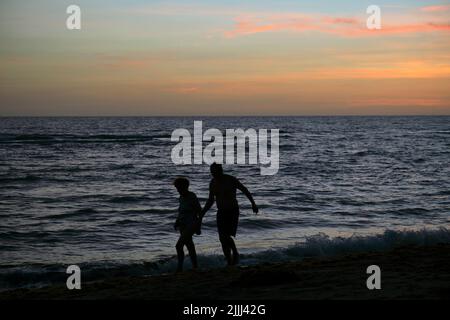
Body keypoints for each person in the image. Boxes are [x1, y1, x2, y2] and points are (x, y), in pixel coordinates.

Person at [200, 163, 258, 266]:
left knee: (226, 236)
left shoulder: (231, 179)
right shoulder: (213, 182)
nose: (213, 174)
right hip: (221, 211)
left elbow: (244, 190)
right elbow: (210, 200)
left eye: (215, 172)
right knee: (222, 238)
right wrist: (203, 213)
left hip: (232, 211)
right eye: (212, 172)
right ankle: (229, 260)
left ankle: (234, 253)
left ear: (220, 170)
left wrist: (253, 203)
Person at [173, 177, 201, 272]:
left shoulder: (192, 196)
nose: (178, 190)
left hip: (191, 224)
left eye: (179, 188)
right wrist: (177, 222)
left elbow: (199, 211)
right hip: (182, 224)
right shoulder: (181, 198)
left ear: (185, 187)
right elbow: (181, 211)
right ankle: (195, 266)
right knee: (189, 245)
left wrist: (198, 226)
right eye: (177, 188)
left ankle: (179, 267)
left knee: (179, 245)